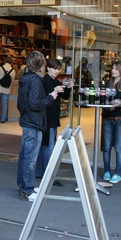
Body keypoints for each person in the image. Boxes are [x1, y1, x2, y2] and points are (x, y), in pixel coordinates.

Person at [16, 51, 64, 201]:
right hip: (34, 122)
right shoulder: (35, 80)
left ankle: (23, 186)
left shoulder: (25, 79)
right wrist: (50, 97)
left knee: (25, 157)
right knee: (30, 159)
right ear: (42, 65)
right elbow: (35, 104)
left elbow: (22, 103)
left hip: (27, 121)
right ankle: (27, 189)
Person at [35, 58, 74, 187]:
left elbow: (65, 96)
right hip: (48, 119)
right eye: (54, 68)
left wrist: (67, 87)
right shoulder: (45, 81)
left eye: (58, 69)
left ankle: (40, 172)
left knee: (45, 145)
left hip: (51, 118)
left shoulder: (54, 81)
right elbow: (44, 98)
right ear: (48, 68)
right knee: (48, 147)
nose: (56, 71)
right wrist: (55, 90)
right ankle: (49, 175)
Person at [100, 60, 121, 184]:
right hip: (107, 119)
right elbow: (102, 99)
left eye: (116, 69)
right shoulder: (107, 84)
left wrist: (119, 103)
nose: (113, 71)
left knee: (118, 147)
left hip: (120, 120)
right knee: (106, 147)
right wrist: (107, 105)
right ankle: (107, 171)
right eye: (112, 68)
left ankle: (118, 173)